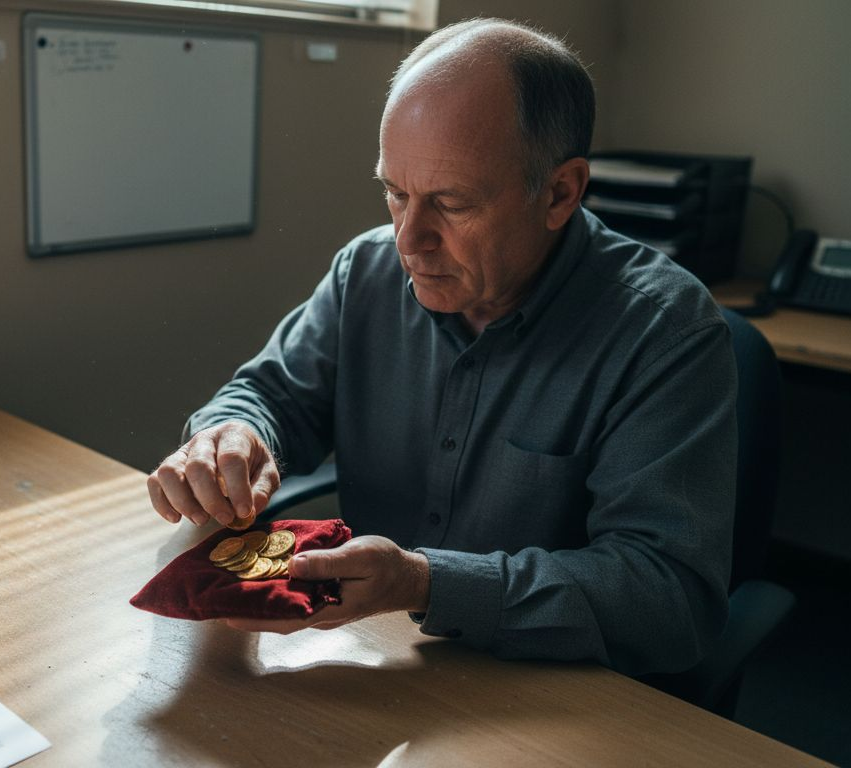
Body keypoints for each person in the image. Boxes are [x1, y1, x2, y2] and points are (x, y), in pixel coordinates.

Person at [146, 18, 737, 676]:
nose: (407, 241)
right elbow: (272, 394)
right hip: (387, 663)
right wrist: (231, 433)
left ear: (560, 192)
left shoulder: (666, 332)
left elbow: (668, 600)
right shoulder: (365, 273)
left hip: (561, 697)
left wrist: (426, 584)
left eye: (450, 203)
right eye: (395, 194)